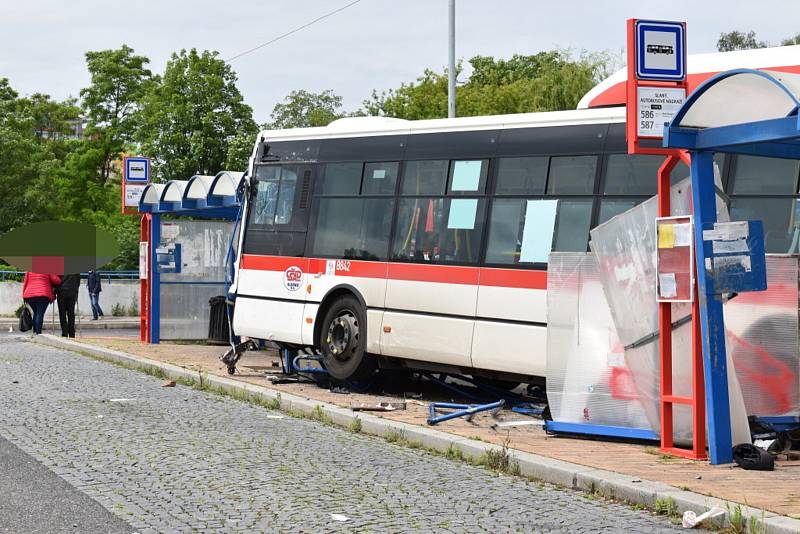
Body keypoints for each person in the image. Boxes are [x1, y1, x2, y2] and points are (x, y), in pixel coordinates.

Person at [56, 273, 80, 337]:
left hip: (61, 291)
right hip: (72, 291)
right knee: (71, 313)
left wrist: (55, 290)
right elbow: (78, 281)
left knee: (62, 313)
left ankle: (64, 332)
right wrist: (76, 290)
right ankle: (71, 332)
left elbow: (56, 279)